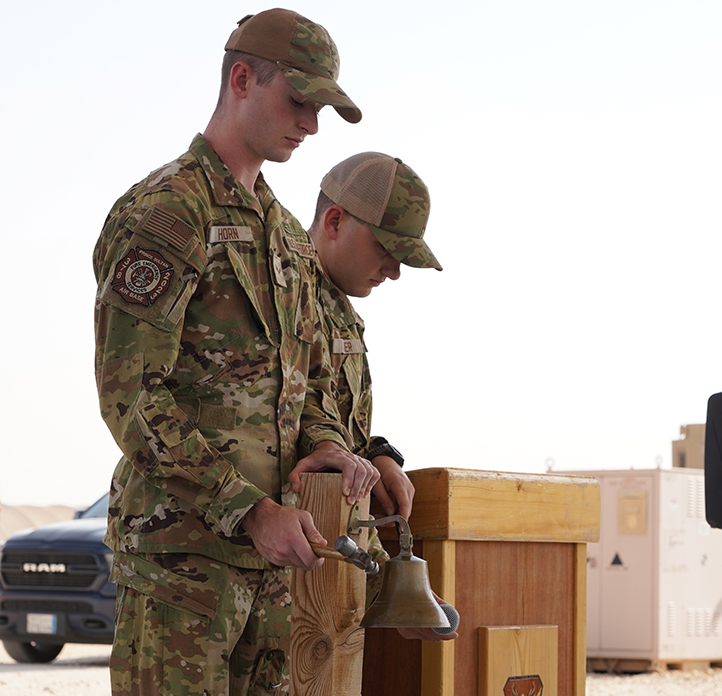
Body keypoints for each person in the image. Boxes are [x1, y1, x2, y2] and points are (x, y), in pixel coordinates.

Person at [92, 9, 386, 695]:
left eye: (321, 110)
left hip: (274, 572)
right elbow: (133, 396)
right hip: (182, 569)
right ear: (243, 79)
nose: (311, 125)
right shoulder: (167, 214)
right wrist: (249, 511)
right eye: (299, 102)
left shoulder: (283, 234)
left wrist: (326, 446)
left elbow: (307, 383)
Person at [304, 152, 450, 642]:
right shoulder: (276, 296)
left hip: (320, 573)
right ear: (335, 220)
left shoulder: (340, 310)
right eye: (386, 249)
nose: (394, 271)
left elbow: (328, 417)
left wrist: (376, 455)